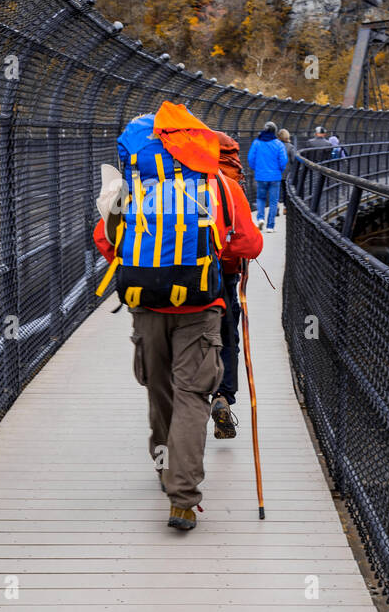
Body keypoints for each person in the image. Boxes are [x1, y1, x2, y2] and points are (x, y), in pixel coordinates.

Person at [92, 101, 262, 531]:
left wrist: (147, 259)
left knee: (161, 391)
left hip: (145, 303)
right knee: (193, 395)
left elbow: (105, 242)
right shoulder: (219, 183)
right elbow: (250, 245)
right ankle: (182, 498)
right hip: (201, 306)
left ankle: (164, 463)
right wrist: (210, 249)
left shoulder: (133, 185)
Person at [210, 131, 247, 442]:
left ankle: (179, 402)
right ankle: (222, 396)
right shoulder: (229, 185)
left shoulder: (167, 179)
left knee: (180, 341)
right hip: (222, 275)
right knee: (226, 337)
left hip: (169, 280)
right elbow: (248, 243)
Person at [248, 120, 288, 232]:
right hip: (275, 176)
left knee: (260, 198)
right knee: (273, 201)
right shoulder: (278, 144)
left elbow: (251, 158)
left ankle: (260, 218)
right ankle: (270, 226)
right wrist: (280, 170)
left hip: (261, 176)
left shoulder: (257, 142)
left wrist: (255, 169)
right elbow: (283, 160)